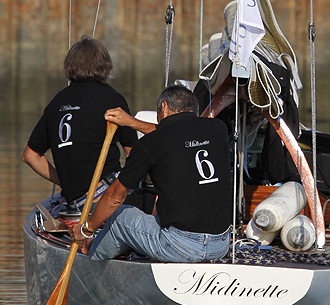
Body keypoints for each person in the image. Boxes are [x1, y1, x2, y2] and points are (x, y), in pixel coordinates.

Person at [71, 84, 232, 262]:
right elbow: (175, 135)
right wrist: (131, 122)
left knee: (119, 216)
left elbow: (114, 197)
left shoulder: (150, 143)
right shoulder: (218, 129)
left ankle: (90, 261)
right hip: (220, 245)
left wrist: (86, 230)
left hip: (181, 247)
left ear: (164, 106)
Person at [22, 36, 138, 215]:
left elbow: (30, 156)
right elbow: (132, 154)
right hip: (104, 196)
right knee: (152, 192)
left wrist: (66, 183)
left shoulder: (55, 104)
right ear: (105, 65)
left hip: (75, 201)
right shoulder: (112, 99)